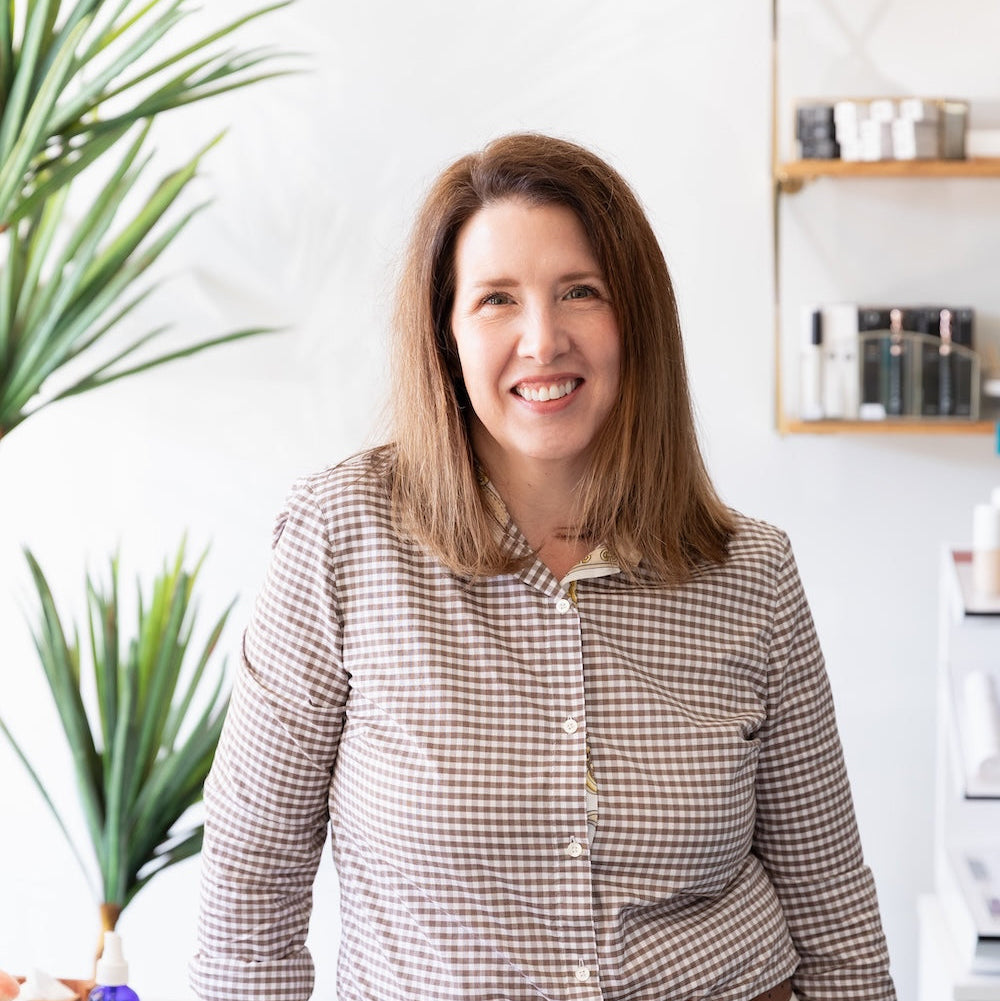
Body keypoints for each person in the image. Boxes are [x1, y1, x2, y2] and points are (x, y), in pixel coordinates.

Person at [191, 133, 896, 1001]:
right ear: (446, 334)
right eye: (495, 300)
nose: (542, 338)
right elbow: (249, 878)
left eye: (580, 292)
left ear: (633, 319)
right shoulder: (343, 537)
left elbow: (832, 907)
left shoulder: (751, 572)